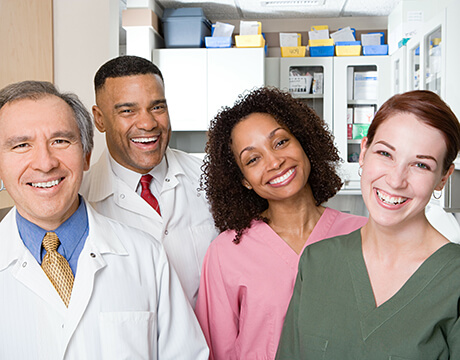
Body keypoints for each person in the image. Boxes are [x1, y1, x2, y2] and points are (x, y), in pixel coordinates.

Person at [0, 80, 208, 359]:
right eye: (21, 145)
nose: (45, 163)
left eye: (60, 141)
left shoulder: (146, 254)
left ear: (85, 155)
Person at [276, 90, 460, 359]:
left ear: (443, 177)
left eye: (420, 165)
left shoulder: (453, 281)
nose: (396, 180)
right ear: (363, 152)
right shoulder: (317, 263)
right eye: (385, 153)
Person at [195, 87, 368, 360]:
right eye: (253, 159)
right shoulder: (226, 252)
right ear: (243, 180)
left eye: (280, 143)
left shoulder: (364, 235)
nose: (275, 162)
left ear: (303, 143)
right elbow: (217, 351)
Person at [80, 55, 218, 307]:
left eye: (157, 107)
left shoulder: (209, 179)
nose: (148, 123)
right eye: (127, 110)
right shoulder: (82, 200)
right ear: (99, 119)